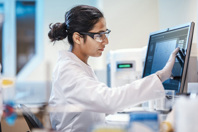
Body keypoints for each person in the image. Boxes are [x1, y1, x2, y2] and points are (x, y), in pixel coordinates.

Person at [48, 5, 179, 132]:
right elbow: (109, 100)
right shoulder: (68, 71)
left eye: (105, 33)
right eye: (99, 35)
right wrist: (160, 76)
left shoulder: (79, 66)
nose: (105, 41)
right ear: (77, 38)